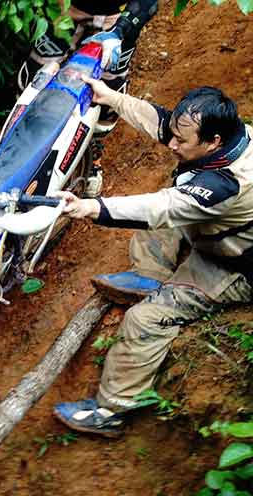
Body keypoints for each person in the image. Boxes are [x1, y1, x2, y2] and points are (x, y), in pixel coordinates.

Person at [52, 78, 253, 438]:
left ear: (213, 142)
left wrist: (91, 208)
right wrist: (112, 97)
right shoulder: (230, 137)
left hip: (233, 267)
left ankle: (111, 410)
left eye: (182, 141)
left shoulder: (227, 183)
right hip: (221, 231)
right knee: (162, 209)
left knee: (145, 320)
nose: (172, 144)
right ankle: (148, 277)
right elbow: (160, 122)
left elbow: (162, 208)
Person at [19, 0, 158, 97]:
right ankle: (20, 119)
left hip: (120, 13)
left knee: (109, 85)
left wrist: (120, 29)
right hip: (68, 7)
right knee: (35, 74)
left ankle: (96, 134)